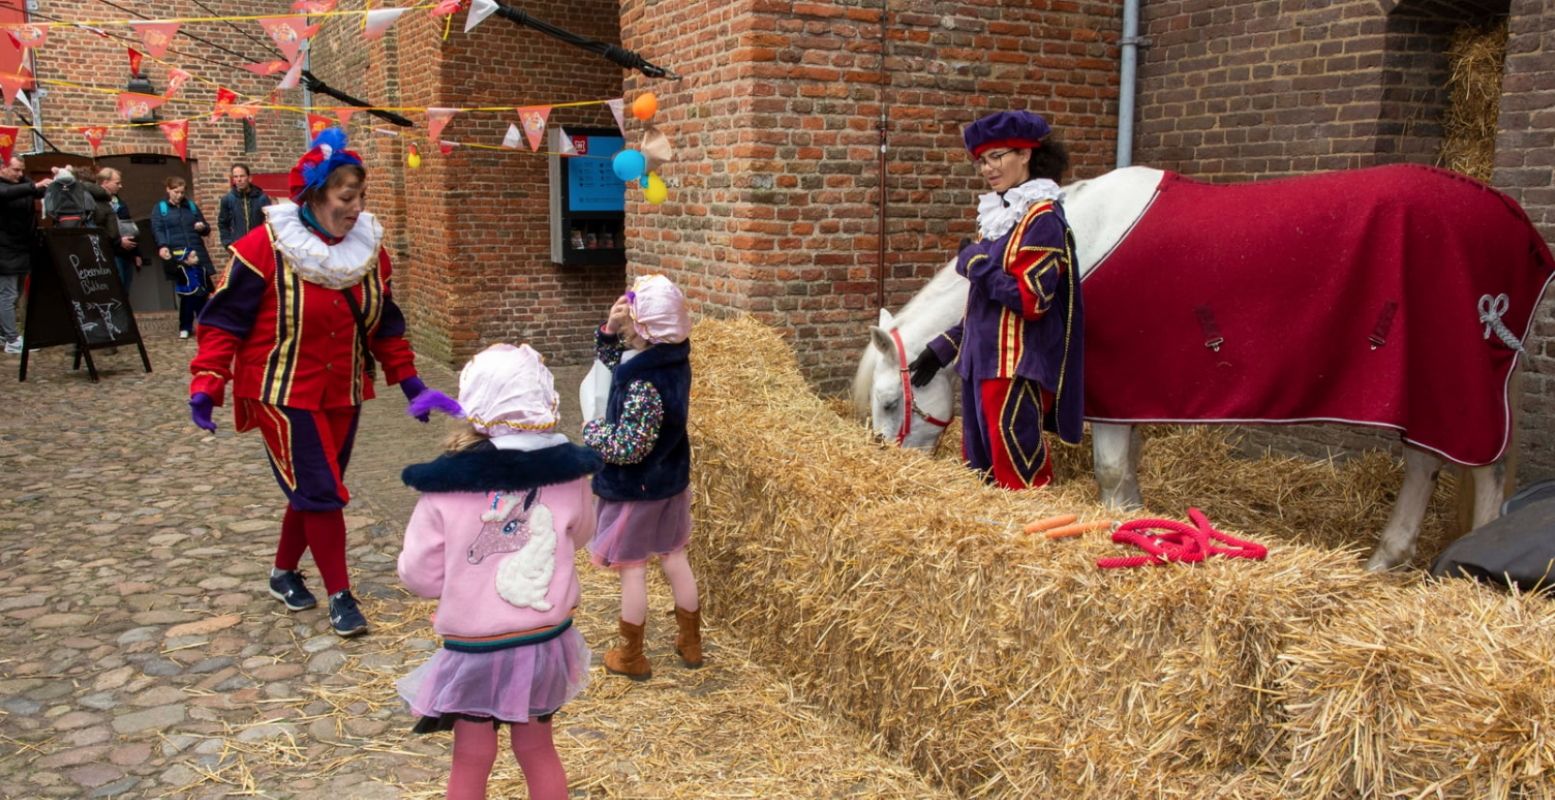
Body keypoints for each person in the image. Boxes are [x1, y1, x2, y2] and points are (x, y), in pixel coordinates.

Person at [186, 127, 454, 637]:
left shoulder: (369, 253)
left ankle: (282, 573)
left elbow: (385, 325)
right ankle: (340, 596)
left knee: (312, 489)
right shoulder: (262, 247)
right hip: (279, 390)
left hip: (343, 390)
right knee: (323, 490)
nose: (356, 208)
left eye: (361, 197)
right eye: (346, 197)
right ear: (314, 195)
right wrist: (207, 381)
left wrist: (412, 384)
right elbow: (222, 322)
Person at [397, 343, 601, 800]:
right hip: (544, 641)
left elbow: (420, 577)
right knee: (537, 747)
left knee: (471, 754)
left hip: (477, 649)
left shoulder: (443, 488)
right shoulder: (569, 477)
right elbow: (581, 533)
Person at [909, 109, 1084, 490]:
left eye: (998, 156)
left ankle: (1033, 544)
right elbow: (985, 307)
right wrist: (946, 346)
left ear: (1026, 154)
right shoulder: (1000, 217)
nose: (988, 169)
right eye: (982, 160)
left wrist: (978, 266)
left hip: (1013, 368)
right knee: (981, 479)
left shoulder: (1043, 219)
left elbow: (1033, 300)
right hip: (978, 366)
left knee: (1020, 482)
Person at [583, 274, 702, 680]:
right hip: (670, 482)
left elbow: (629, 447)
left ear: (646, 329)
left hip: (638, 490)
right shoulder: (672, 359)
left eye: (630, 318)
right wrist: (610, 331)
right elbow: (617, 363)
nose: (625, 323)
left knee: (632, 568)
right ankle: (691, 641)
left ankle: (632, 655)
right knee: (675, 557)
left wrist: (592, 430)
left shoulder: (643, 382)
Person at [151, 176, 214, 338]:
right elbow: (157, 228)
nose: (179, 195)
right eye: (175, 192)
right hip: (179, 255)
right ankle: (185, 326)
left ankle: (204, 324)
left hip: (196, 253)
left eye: (181, 192)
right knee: (187, 293)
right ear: (168, 190)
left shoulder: (191, 207)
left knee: (202, 290)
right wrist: (163, 245)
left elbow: (206, 228)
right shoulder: (161, 208)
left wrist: (202, 227)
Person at [0, 157, 50, 355]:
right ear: (2, 168)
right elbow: (7, 194)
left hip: (23, 248)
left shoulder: (23, 182)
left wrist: (50, 184)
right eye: (15, 170)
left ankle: (4, 333)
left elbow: (37, 190)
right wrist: (34, 186)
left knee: (17, 293)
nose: (20, 174)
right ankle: (12, 339)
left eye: (22, 170)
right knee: (7, 294)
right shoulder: (6, 187)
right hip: (4, 249)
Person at [98, 168, 141, 292]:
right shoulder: (97, 203)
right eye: (117, 183)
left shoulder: (120, 203)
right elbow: (98, 229)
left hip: (126, 253)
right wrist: (118, 241)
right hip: (111, 253)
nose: (120, 186)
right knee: (117, 288)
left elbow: (128, 227)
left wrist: (136, 253)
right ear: (105, 182)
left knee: (125, 287)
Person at [218, 163, 270, 251]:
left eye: (242, 176)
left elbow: (269, 221)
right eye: (236, 177)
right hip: (238, 247)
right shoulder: (227, 199)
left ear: (249, 178)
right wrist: (227, 244)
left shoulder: (262, 198)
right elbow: (223, 224)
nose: (239, 180)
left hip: (259, 246)